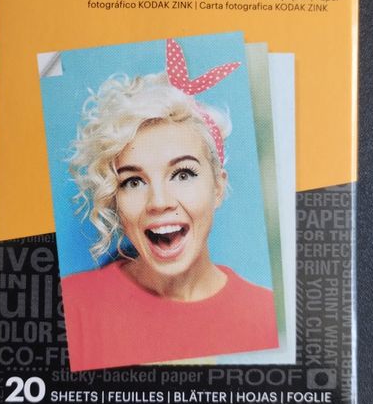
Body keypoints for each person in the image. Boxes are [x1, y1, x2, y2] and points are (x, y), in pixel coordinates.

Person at [62, 39, 278, 371]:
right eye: (133, 181)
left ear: (218, 186)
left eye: (182, 174)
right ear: (115, 199)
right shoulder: (74, 307)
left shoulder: (265, 313)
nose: (159, 202)